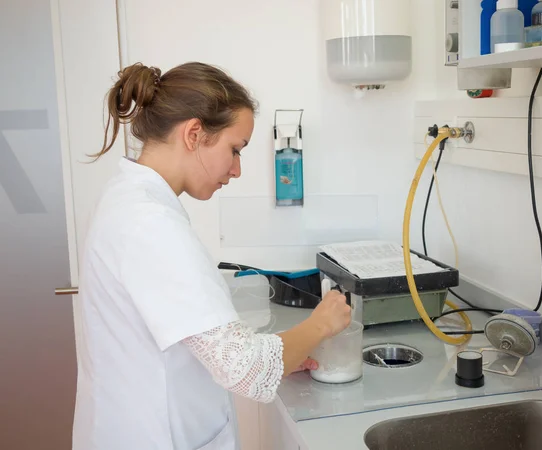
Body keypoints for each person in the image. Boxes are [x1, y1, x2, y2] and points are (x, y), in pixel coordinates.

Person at [71, 61, 352, 450]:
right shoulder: (149, 222)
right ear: (194, 133)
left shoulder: (130, 200)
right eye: (234, 150)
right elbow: (246, 368)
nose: (237, 169)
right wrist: (322, 324)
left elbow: (206, 343)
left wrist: (287, 349)